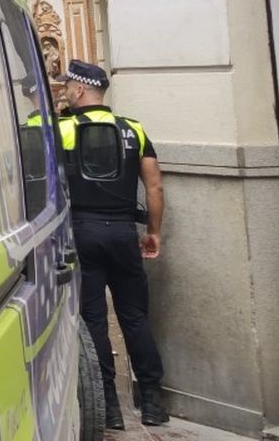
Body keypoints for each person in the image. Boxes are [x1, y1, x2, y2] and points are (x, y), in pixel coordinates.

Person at [59, 59, 169, 429]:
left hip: (82, 232)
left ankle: (109, 409)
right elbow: (154, 186)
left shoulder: (62, 129)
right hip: (124, 233)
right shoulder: (133, 130)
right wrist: (152, 231)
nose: (63, 92)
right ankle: (153, 402)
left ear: (80, 89)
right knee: (135, 316)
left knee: (93, 320)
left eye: (66, 87)